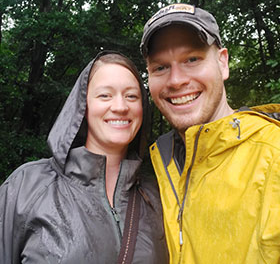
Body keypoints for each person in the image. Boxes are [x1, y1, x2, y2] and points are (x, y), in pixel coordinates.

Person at [140, 3, 280, 264]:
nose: (176, 80)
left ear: (223, 62)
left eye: (192, 59)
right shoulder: (163, 166)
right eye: (160, 67)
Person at [0, 51, 169, 263]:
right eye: (105, 95)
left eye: (131, 96)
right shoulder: (27, 186)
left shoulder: (158, 195)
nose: (120, 107)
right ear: (83, 106)